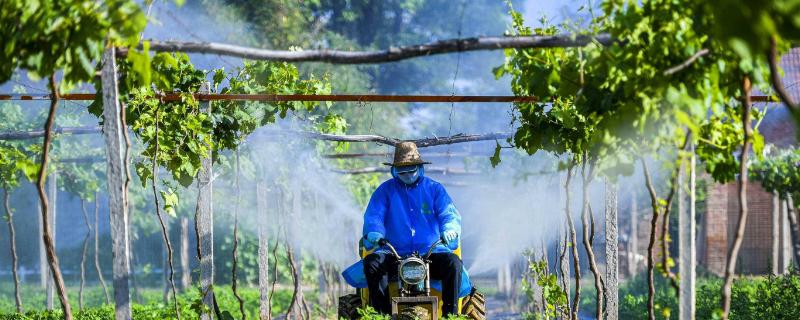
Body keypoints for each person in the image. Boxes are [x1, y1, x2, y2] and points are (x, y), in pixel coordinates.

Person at [361, 141, 463, 316]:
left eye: (411, 170)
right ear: (394, 171)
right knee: (372, 264)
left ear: (420, 168)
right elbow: (374, 215)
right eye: (402, 171)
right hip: (394, 254)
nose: (407, 175)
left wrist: (450, 229)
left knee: (453, 264)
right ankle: (382, 315)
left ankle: (450, 315)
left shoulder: (435, 190)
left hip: (431, 253)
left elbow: (449, 214)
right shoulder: (384, 191)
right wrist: (375, 232)